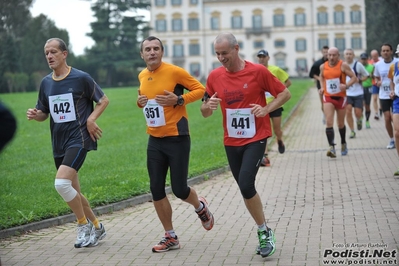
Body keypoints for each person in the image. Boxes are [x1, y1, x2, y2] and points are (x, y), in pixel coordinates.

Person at [200, 33, 291, 258]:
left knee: (246, 184)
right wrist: (208, 106)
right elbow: (204, 112)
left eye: (224, 53)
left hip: (257, 136)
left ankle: (264, 231)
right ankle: (263, 228)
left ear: (236, 48)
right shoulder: (214, 76)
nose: (221, 58)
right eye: (217, 54)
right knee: (244, 188)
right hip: (231, 140)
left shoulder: (258, 71)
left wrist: (266, 109)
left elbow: (285, 93)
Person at [26, 38, 109, 248]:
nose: (49, 56)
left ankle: (83, 225)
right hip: (58, 142)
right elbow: (44, 112)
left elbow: (103, 100)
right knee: (73, 191)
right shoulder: (46, 82)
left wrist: (91, 119)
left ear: (65, 54)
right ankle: (98, 227)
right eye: (46, 53)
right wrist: (37, 115)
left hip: (79, 139)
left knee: (61, 184)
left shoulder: (81, 78)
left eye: (53, 52)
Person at [136, 36, 214, 253]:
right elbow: (143, 97)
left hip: (177, 137)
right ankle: (170, 236)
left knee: (179, 189)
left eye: (156, 49)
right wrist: (139, 101)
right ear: (142, 54)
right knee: (156, 188)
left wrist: (179, 100)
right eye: (147, 49)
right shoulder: (142, 75)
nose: (152, 52)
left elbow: (200, 90)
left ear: (162, 52)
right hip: (154, 139)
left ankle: (200, 207)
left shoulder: (175, 72)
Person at [319, 47, 357, 158]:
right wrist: (322, 87)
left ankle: (343, 143)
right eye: (329, 55)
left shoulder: (343, 65)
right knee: (329, 121)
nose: (331, 57)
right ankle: (332, 147)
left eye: (333, 55)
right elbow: (321, 77)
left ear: (338, 56)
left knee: (340, 123)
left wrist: (346, 86)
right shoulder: (323, 66)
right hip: (328, 97)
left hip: (341, 97)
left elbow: (354, 78)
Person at [257, 49, 291, 167]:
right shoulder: (256, 71)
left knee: (277, 130)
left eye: (263, 57)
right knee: (264, 132)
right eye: (260, 57)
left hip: (275, 104)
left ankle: (279, 139)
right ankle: (265, 156)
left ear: (268, 58)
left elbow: (288, 82)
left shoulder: (275, 70)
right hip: (263, 105)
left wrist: (278, 91)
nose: (262, 59)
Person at [373, 43, 399, 149]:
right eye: (383, 51)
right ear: (381, 53)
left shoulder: (396, 63)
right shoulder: (378, 65)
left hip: (395, 94)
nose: (385, 52)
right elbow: (376, 77)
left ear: (391, 52)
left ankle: (397, 134)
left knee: (394, 117)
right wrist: (378, 82)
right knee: (387, 118)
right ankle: (392, 139)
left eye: (387, 50)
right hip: (384, 95)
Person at [343, 48, 370, 138]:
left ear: (353, 55)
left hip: (358, 93)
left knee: (358, 112)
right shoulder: (341, 65)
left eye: (350, 54)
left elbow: (367, 75)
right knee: (348, 111)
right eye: (347, 54)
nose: (348, 55)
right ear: (344, 56)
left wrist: (360, 80)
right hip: (347, 93)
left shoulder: (358, 65)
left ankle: (359, 119)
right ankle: (352, 131)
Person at [309, 46, 329, 123]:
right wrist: (319, 78)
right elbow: (311, 74)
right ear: (322, 53)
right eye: (324, 52)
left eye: (327, 52)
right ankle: (324, 114)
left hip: (331, 86)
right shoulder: (317, 63)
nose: (326, 54)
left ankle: (329, 115)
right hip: (321, 86)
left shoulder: (333, 62)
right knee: (323, 102)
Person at [389, 58, 399, 175]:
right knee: (397, 133)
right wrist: (392, 90)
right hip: (397, 100)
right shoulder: (394, 66)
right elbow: (392, 80)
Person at [360, 53, 375, 129]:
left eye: (365, 59)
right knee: (360, 105)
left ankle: (367, 120)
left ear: (367, 59)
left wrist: (369, 75)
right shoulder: (358, 67)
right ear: (360, 59)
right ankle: (361, 116)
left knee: (367, 105)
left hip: (368, 87)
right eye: (362, 59)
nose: (364, 60)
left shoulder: (371, 67)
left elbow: (374, 76)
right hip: (360, 88)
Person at [370, 49, 381, 120]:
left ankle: (381, 108)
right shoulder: (370, 63)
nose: (374, 57)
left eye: (375, 55)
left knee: (381, 98)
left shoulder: (381, 62)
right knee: (374, 98)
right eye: (372, 56)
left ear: (377, 55)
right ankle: (376, 113)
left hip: (381, 82)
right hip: (374, 83)